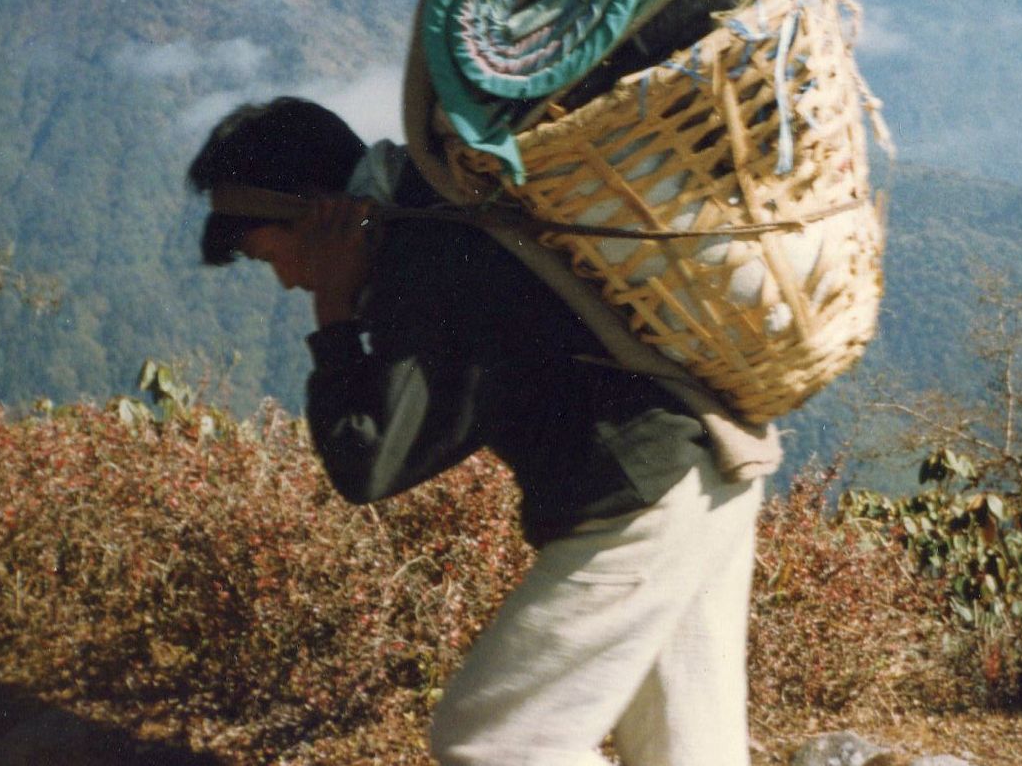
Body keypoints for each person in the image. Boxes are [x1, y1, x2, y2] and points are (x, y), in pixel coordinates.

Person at [186, 96, 765, 766]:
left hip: (640, 497)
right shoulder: (440, 196)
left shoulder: (426, 256)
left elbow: (368, 461)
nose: (286, 279)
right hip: (709, 463)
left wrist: (335, 315)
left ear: (317, 210)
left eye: (270, 254)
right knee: (685, 751)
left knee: (492, 738)